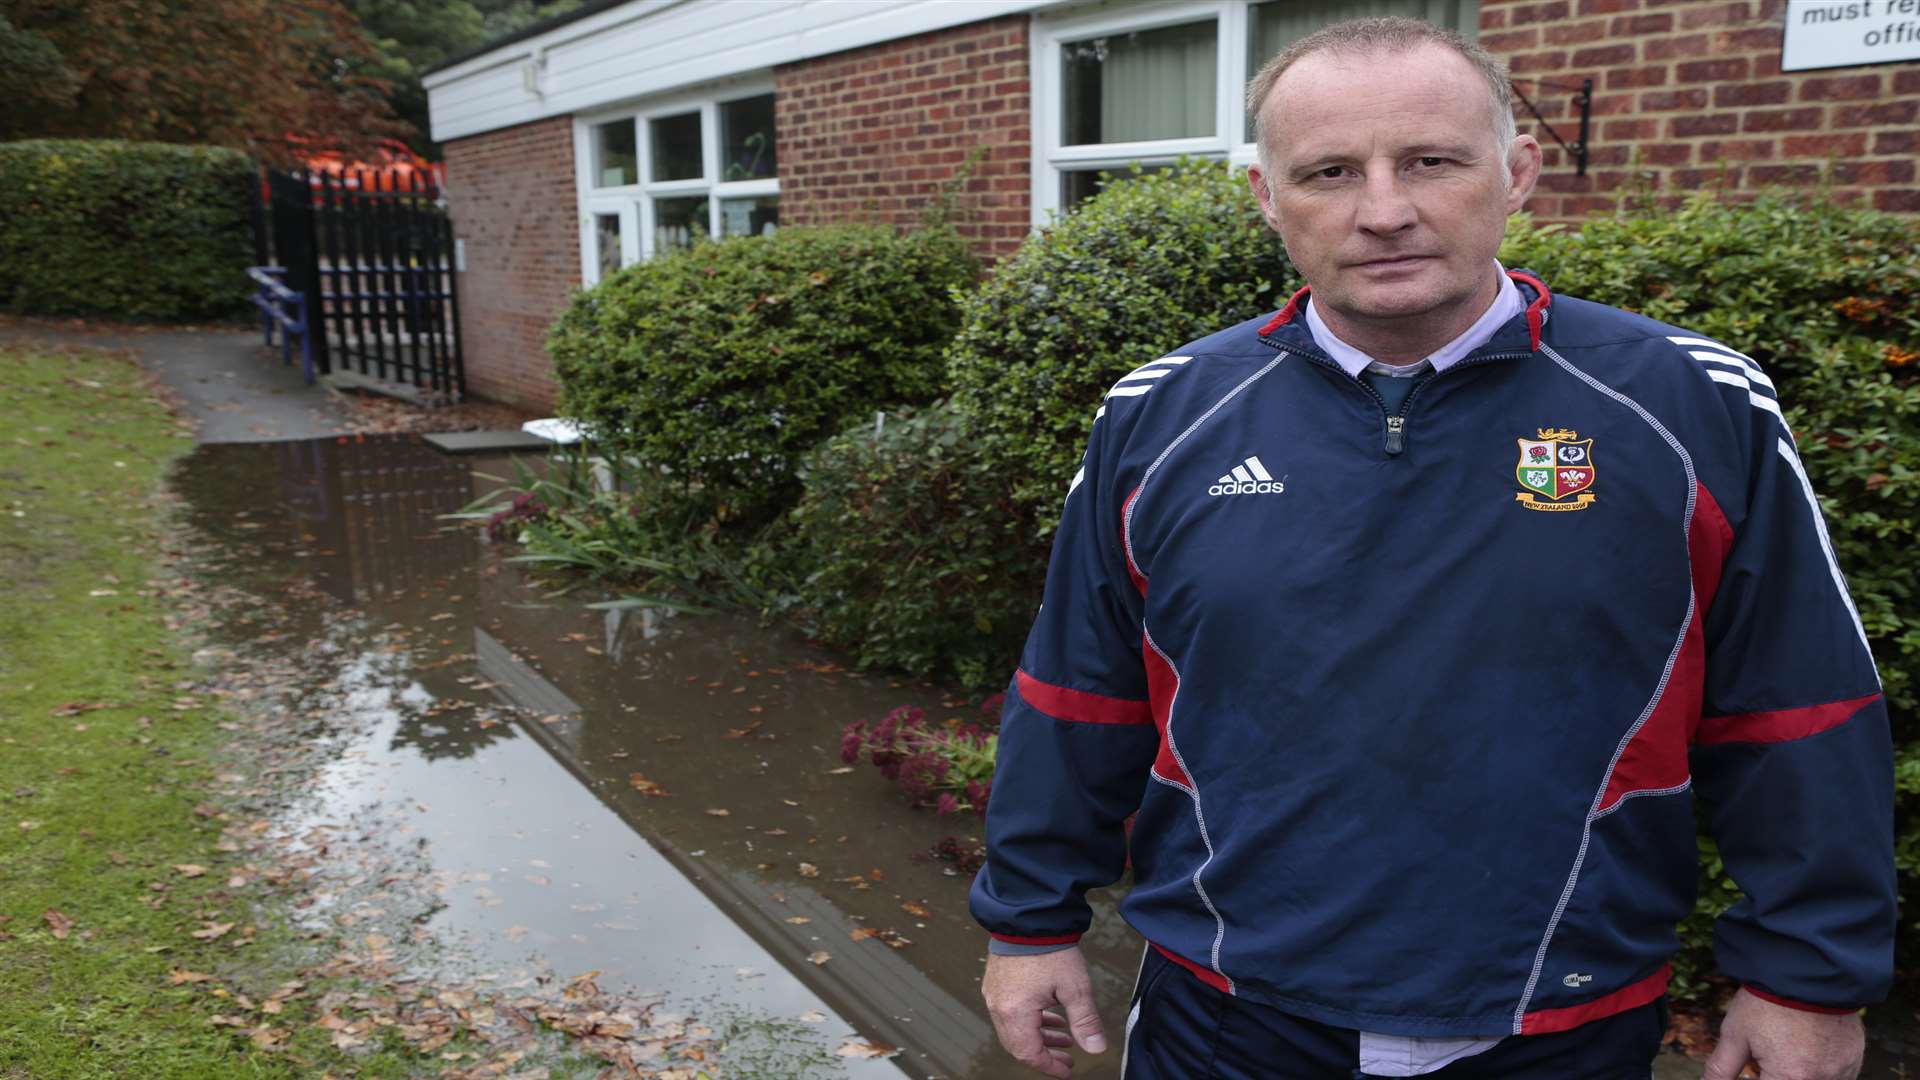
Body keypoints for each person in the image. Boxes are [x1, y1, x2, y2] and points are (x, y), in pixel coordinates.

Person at [969, 16, 1893, 1080]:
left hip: (1559, 1020)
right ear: (1270, 201)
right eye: (1328, 171)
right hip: (1230, 1015)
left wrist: (1806, 977)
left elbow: (1798, 704)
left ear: (1518, 171)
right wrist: (1028, 924)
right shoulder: (1160, 417)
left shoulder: (1691, 405)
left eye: (1430, 161)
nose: (1384, 210)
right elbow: (1078, 691)